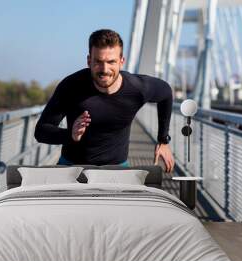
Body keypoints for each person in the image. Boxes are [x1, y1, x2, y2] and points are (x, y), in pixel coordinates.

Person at [34, 29, 175, 172]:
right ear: (89, 61)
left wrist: (163, 140)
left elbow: (166, 93)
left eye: (111, 62)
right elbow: (41, 131)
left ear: (121, 61)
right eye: (98, 62)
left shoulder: (137, 88)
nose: (104, 69)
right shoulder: (71, 86)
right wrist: (69, 134)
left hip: (116, 170)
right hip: (71, 168)